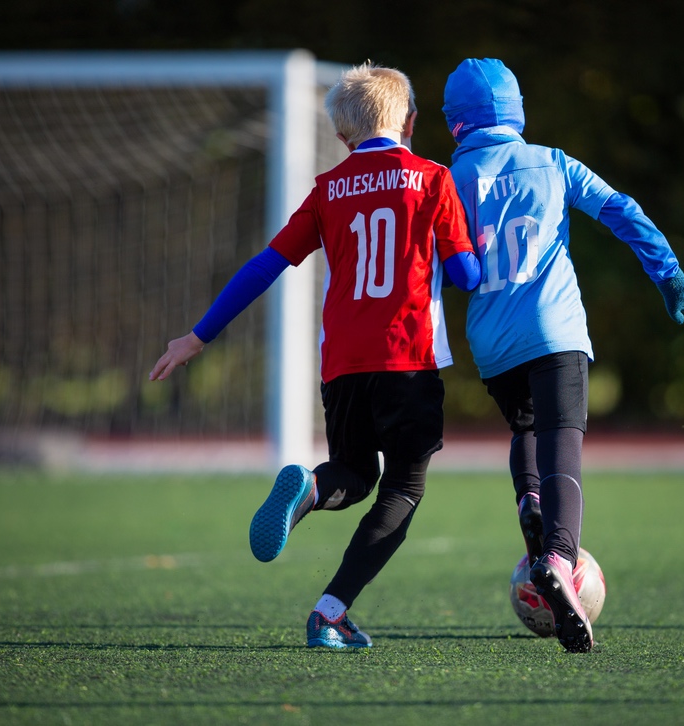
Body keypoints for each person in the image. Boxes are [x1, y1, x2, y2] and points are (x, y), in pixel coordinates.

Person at [151, 62, 479, 649]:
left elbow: (265, 266)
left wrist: (197, 337)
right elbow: (466, 274)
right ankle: (330, 611)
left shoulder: (329, 188)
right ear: (409, 121)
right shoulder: (433, 178)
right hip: (408, 359)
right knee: (403, 490)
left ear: (341, 135)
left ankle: (307, 487)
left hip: (343, 365)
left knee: (353, 473)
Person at [442, 58, 684, 653]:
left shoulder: (446, 180)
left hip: (491, 340)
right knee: (562, 438)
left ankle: (530, 501)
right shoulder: (553, 162)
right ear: (517, 111)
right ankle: (560, 559)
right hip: (553, 328)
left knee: (525, 429)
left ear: (455, 123)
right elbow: (621, 210)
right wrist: (669, 274)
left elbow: (433, 266)